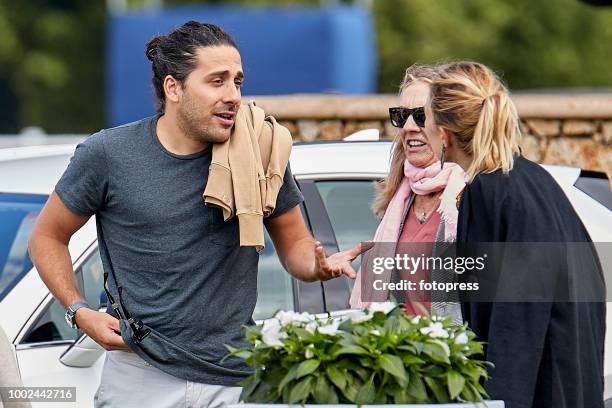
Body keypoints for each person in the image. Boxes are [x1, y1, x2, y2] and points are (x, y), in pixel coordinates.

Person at [27, 21, 362, 408]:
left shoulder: (259, 150)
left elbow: (297, 246)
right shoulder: (107, 155)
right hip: (139, 376)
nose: (234, 95)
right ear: (173, 88)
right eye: (217, 81)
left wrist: (318, 265)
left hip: (237, 378)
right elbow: (46, 235)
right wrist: (78, 310)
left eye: (237, 81)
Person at [424, 60, 605, 408]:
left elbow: (516, 319)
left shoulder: (489, 192)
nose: (423, 127)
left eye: (426, 118)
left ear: (445, 134)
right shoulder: (534, 179)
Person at [349, 64, 466, 323]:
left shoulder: (470, 193)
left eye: (421, 115)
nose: (409, 127)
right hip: (408, 354)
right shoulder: (401, 198)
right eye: (402, 115)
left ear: (446, 125)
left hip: (457, 355)